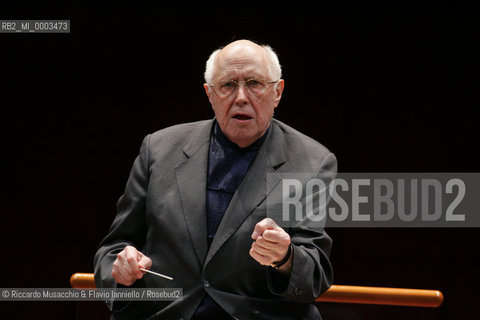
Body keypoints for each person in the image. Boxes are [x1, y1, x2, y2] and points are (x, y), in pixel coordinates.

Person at [94, 39, 337, 320]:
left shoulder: (311, 161)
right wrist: (120, 268)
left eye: (255, 83)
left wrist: (285, 258)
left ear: (277, 92)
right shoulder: (158, 150)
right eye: (228, 85)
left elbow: (314, 276)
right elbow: (112, 249)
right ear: (210, 94)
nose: (242, 97)